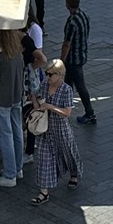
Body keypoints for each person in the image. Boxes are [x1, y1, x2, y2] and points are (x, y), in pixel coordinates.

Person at [33, 59, 80, 204]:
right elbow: (37, 100)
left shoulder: (66, 89)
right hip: (45, 128)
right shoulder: (44, 85)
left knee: (68, 153)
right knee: (43, 158)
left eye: (50, 74)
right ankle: (44, 192)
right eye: (46, 74)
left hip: (60, 128)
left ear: (59, 75)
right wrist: (37, 104)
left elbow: (67, 113)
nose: (47, 77)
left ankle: (74, 174)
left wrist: (50, 106)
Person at [0, 29, 27, 188]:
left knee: (6, 136)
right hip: (16, 98)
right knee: (17, 132)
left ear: (0, 39)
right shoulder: (19, 56)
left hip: (3, 100)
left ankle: (10, 175)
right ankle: (18, 168)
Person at [62, 0, 95, 123]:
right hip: (82, 54)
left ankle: (90, 113)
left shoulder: (71, 22)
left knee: (79, 86)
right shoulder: (84, 15)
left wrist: (61, 60)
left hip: (72, 59)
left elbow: (67, 44)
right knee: (68, 84)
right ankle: (64, 108)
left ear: (67, 4)